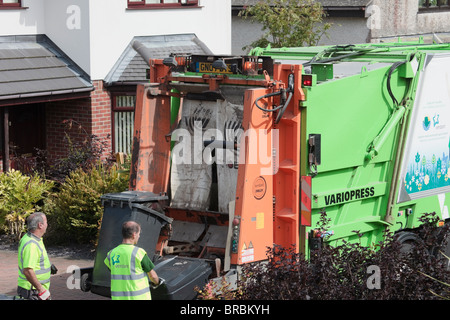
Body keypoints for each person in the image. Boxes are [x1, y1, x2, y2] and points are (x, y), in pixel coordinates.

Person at [104, 221, 162, 300]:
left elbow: (115, 271)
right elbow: (153, 276)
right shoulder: (139, 253)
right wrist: (157, 283)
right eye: (139, 234)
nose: (139, 236)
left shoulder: (111, 254)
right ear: (134, 234)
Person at [17, 212, 53, 300]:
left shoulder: (33, 238)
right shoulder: (31, 244)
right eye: (46, 222)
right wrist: (41, 290)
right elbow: (28, 270)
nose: (47, 225)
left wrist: (49, 265)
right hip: (32, 290)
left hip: (32, 289)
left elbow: (36, 259)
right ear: (40, 225)